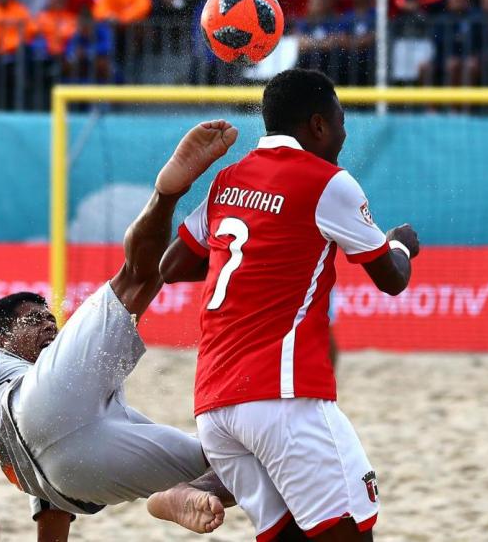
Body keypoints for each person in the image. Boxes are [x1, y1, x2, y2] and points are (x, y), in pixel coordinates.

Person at [0, 121, 243, 538]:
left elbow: (51, 517)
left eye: (51, 320)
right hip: (35, 417)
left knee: (233, 466)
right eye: (33, 321)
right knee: (137, 280)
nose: (48, 328)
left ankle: (176, 495)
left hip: (69, 478)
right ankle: (167, 191)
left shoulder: (69, 379)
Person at [161, 68, 420, 541]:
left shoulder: (229, 180)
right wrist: (401, 244)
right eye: (341, 121)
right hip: (281, 397)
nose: (345, 132)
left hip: (213, 406)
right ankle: (194, 488)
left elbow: (171, 266)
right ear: (318, 125)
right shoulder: (328, 182)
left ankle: (194, 488)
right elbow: (391, 279)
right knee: (350, 531)